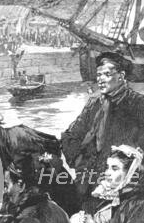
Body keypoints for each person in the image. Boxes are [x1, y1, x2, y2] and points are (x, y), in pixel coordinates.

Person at [62, 52, 144, 212]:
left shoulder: (138, 104)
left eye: (107, 74)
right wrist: (81, 163)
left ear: (121, 76)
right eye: (98, 74)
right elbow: (70, 136)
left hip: (124, 190)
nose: (100, 79)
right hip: (88, 184)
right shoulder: (94, 104)